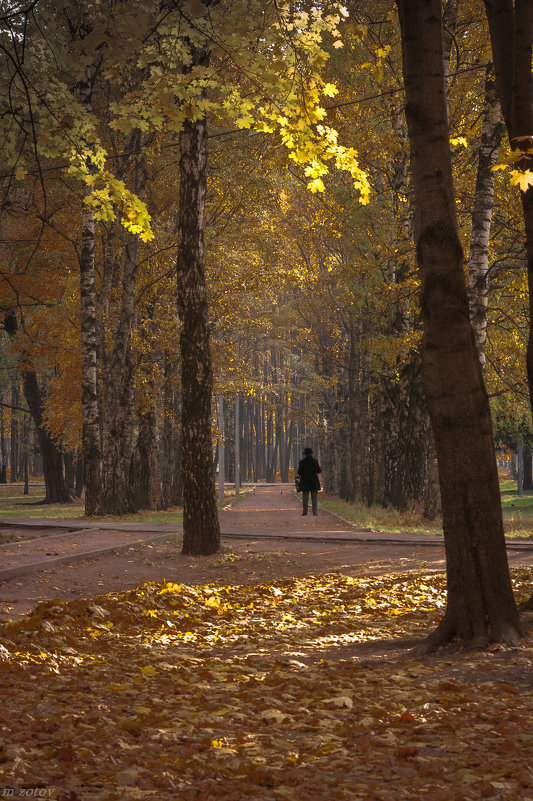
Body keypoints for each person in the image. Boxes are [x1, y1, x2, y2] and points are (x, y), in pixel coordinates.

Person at [297, 447, 322, 516]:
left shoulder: (301, 462)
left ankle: (305, 512)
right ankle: (315, 512)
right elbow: (319, 470)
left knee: (305, 497)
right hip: (314, 481)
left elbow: (299, 472)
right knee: (314, 497)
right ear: (311, 453)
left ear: (305, 454)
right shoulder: (315, 461)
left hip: (305, 481)